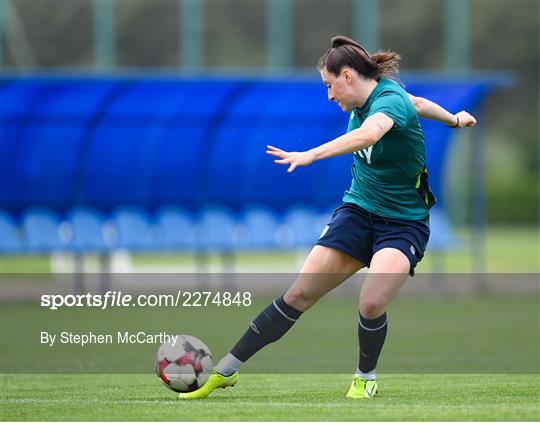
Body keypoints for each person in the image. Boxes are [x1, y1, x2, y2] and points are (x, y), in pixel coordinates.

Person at [179, 35, 477, 400]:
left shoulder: (387, 103)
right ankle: (225, 371)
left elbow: (372, 133)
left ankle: (365, 378)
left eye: (329, 85)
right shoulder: (386, 96)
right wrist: (453, 119)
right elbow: (416, 102)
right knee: (299, 294)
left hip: (403, 223)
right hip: (357, 212)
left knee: (370, 303)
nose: (329, 95)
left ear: (348, 75)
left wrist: (311, 154)